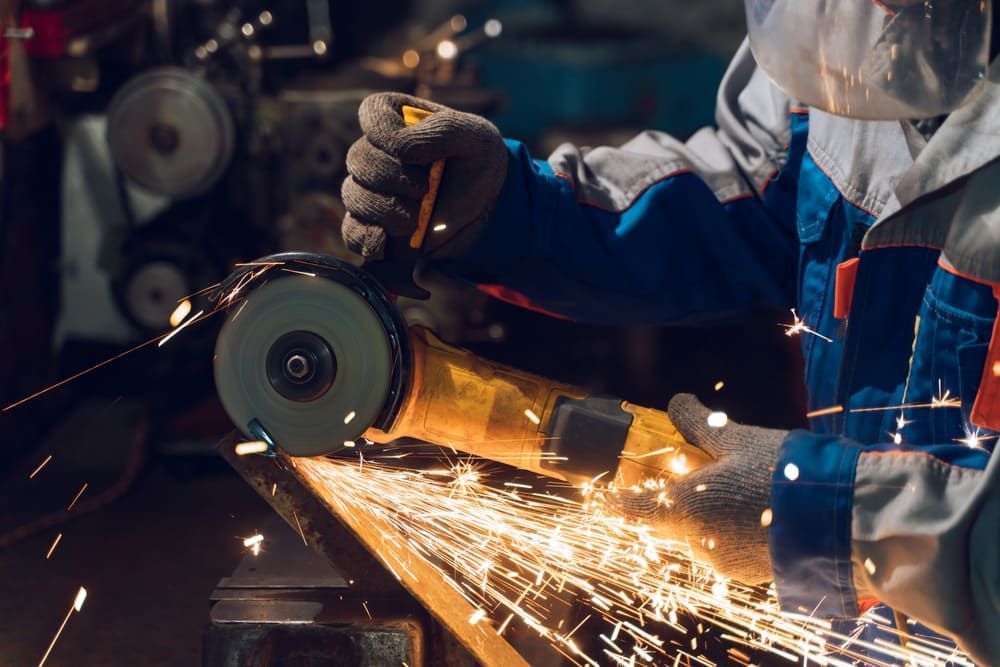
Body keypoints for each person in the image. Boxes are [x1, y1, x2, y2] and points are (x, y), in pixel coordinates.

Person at [338, 2, 999, 663]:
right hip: (862, 628)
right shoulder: (845, 23)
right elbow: (761, 188)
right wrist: (517, 213)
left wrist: (843, 517)